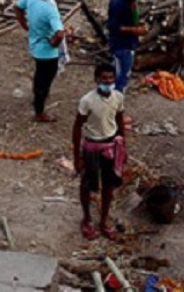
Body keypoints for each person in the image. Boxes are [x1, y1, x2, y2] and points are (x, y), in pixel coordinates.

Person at [72, 63, 126, 241]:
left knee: (108, 186)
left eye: (111, 78)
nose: (108, 81)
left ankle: (103, 220)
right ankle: (87, 219)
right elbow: (77, 127)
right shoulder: (87, 100)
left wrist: (123, 147)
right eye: (104, 78)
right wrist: (77, 157)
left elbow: (119, 122)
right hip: (92, 147)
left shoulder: (118, 97)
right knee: (87, 184)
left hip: (110, 145)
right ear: (96, 80)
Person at [15, 0, 67, 122]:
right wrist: (54, 43)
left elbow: (17, 7)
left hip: (35, 45)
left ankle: (38, 99)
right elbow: (59, 34)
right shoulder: (51, 10)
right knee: (44, 80)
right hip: (48, 52)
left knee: (39, 76)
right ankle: (40, 111)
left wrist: (25, 25)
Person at [107, 0, 147, 93]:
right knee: (121, 79)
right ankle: (116, 108)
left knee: (121, 75)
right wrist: (134, 30)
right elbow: (112, 27)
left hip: (129, 43)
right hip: (121, 45)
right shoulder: (118, 2)